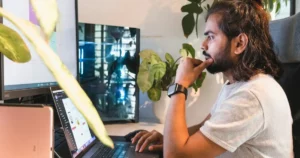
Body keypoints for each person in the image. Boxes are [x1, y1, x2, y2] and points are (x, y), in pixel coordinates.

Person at [132, 0, 294, 157]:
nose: (203, 45)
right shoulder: (238, 85)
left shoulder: (252, 95)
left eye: (211, 36)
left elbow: (176, 156)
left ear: (239, 43)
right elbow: (205, 128)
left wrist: (180, 85)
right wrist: (167, 139)